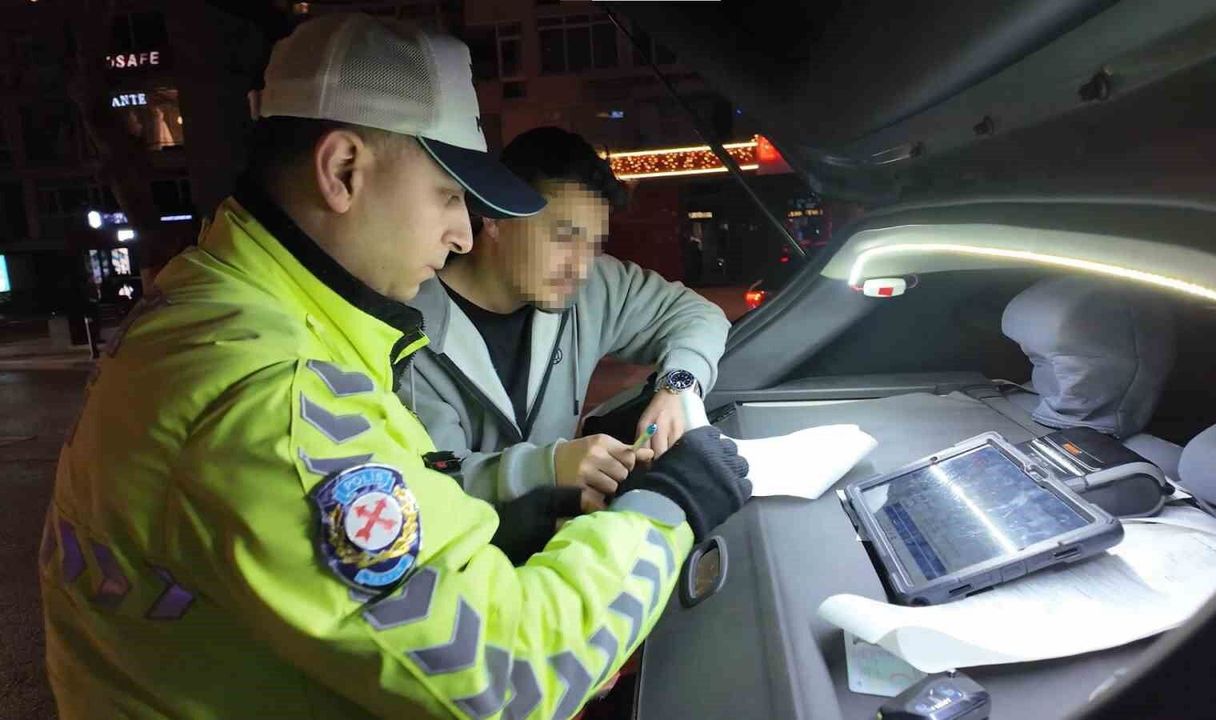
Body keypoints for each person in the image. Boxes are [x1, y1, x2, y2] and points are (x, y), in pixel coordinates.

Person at [39, 14, 750, 719]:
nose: (464, 233)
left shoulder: (221, 301)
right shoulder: (272, 398)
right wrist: (671, 505)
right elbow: (508, 675)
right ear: (343, 171)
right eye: (448, 194)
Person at [400, 127, 732, 528]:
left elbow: (698, 315)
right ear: (494, 217)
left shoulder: (592, 290)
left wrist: (678, 386)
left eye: (594, 246)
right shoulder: (401, 330)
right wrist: (548, 467)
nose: (581, 266)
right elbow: (427, 480)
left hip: (568, 543)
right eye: (563, 237)